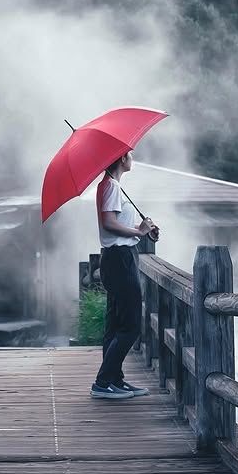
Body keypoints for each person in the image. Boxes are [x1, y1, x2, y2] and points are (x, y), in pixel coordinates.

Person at [90, 150, 158, 399]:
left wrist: (144, 228)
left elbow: (119, 224)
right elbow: (108, 222)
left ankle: (114, 380)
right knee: (130, 325)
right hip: (119, 258)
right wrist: (138, 231)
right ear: (121, 159)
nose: (132, 158)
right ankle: (103, 381)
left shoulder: (112, 185)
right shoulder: (110, 186)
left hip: (120, 257)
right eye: (130, 154)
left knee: (117, 324)